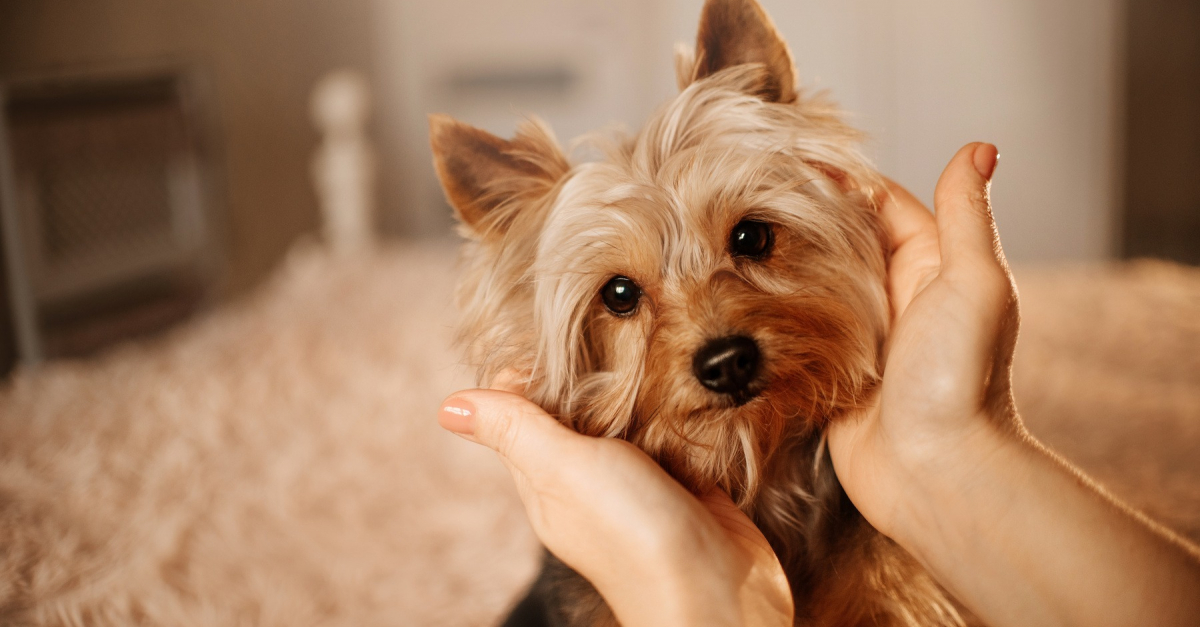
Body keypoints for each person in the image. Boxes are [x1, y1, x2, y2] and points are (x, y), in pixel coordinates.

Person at [436, 143, 1200, 627]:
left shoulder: (903, 548)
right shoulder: (581, 595)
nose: (714, 333)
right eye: (624, 296)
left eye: (748, 240)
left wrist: (954, 447)